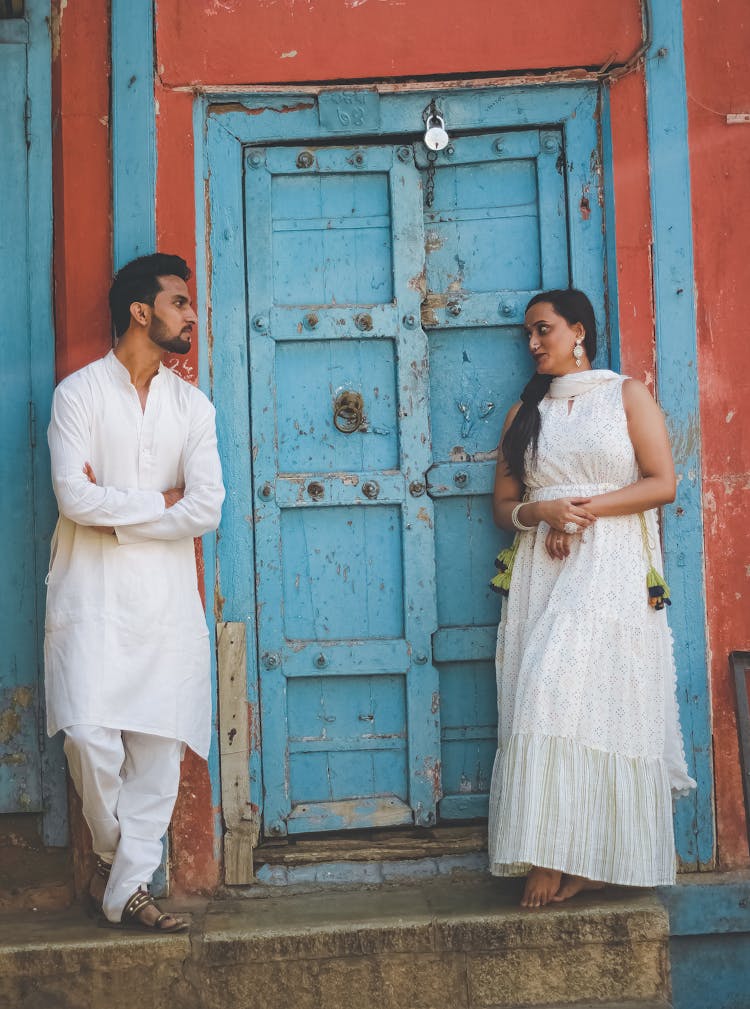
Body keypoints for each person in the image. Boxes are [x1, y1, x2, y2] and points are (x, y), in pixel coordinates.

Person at [487, 288, 695, 908]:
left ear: (579, 330)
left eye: (542, 330)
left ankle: (599, 859)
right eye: (527, 334)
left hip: (613, 564)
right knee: (541, 697)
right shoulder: (523, 413)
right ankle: (550, 852)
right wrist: (540, 511)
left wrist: (577, 513)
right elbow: (502, 509)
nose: (532, 343)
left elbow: (663, 482)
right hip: (543, 571)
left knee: (604, 701)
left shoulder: (626, 393)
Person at [44, 253, 225, 931]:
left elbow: (205, 507)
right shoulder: (80, 394)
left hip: (164, 599)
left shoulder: (192, 406)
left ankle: (124, 890)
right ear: (141, 311)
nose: (191, 315)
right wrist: (159, 502)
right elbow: (73, 495)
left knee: (158, 742)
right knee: (88, 735)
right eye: (180, 302)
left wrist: (118, 507)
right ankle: (124, 862)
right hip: (89, 591)